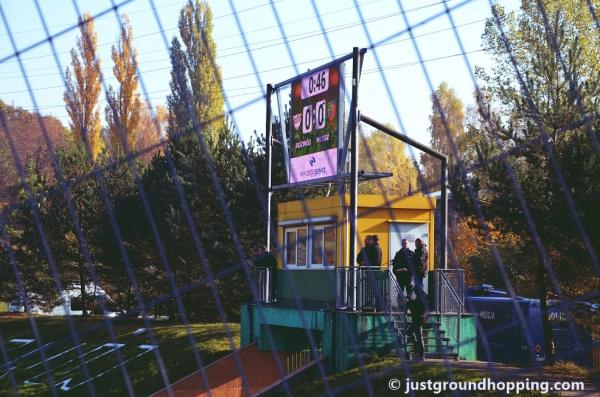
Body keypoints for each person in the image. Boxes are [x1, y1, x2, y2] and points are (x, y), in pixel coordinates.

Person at [407, 292, 427, 360]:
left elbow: (414, 307)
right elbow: (413, 307)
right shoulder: (420, 298)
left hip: (418, 320)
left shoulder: (420, 299)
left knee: (419, 338)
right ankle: (416, 347)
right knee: (410, 332)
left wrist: (409, 301)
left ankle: (421, 355)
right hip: (418, 319)